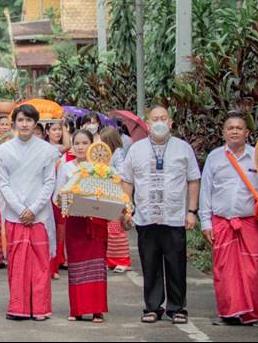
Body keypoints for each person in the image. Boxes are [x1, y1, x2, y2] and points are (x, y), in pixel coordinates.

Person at [199, 111, 258, 328]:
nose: (234, 131)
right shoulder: (214, 157)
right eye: (230, 128)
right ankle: (227, 313)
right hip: (222, 222)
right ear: (224, 133)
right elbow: (205, 191)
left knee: (253, 269)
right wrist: (206, 223)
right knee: (224, 269)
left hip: (251, 224)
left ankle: (252, 315)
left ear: (247, 133)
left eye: (239, 128)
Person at [121, 105, 201, 325]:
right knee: (150, 263)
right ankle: (153, 307)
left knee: (176, 263)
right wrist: (127, 209)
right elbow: (127, 181)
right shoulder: (136, 150)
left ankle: (177, 308)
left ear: (170, 122)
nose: (159, 122)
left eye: (163, 118)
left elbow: (193, 180)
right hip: (146, 216)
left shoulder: (183, 149)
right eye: (154, 118)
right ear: (147, 124)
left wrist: (192, 211)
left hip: (174, 216)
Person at [0, 104, 58, 321]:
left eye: (29, 120)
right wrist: (20, 209)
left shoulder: (47, 151)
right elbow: (3, 184)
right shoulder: (3, 151)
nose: (24, 124)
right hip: (15, 215)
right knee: (17, 263)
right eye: (21, 120)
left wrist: (32, 209)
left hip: (39, 215)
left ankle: (40, 309)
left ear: (35, 124)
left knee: (41, 264)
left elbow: (49, 182)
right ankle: (18, 308)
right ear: (14, 123)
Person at [55, 130, 109, 323]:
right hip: (74, 221)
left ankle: (97, 309)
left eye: (84, 143)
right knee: (76, 265)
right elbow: (58, 194)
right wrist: (67, 201)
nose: (79, 147)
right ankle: (77, 309)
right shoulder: (66, 167)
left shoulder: (100, 167)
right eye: (76, 143)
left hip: (96, 220)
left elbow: (109, 193)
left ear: (91, 145)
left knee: (96, 264)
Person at [99, 126, 132, 273]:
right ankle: (110, 259)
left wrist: (108, 172)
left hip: (116, 194)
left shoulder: (118, 154)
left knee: (117, 229)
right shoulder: (103, 154)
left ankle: (122, 260)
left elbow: (121, 172)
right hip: (105, 194)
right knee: (107, 230)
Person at [45, 121, 72, 280]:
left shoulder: (61, 150)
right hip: (47, 194)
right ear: (47, 131)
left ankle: (56, 263)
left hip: (59, 192)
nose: (58, 133)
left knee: (59, 231)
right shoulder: (45, 148)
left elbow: (67, 144)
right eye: (54, 129)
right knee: (49, 232)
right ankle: (49, 266)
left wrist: (63, 125)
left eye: (59, 130)